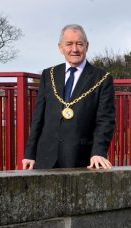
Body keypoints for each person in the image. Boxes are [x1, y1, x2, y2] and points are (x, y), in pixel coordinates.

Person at [22, 24, 115, 170]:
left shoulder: (102, 78)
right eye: (69, 44)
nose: (75, 49)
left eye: (79, 44)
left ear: (87, 46)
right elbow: (38, 118)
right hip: (45, 157)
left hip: (82, 158)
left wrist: (99, 152)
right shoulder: (49, 74)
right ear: (60, 47)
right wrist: (30, 153)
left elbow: (105, 120)